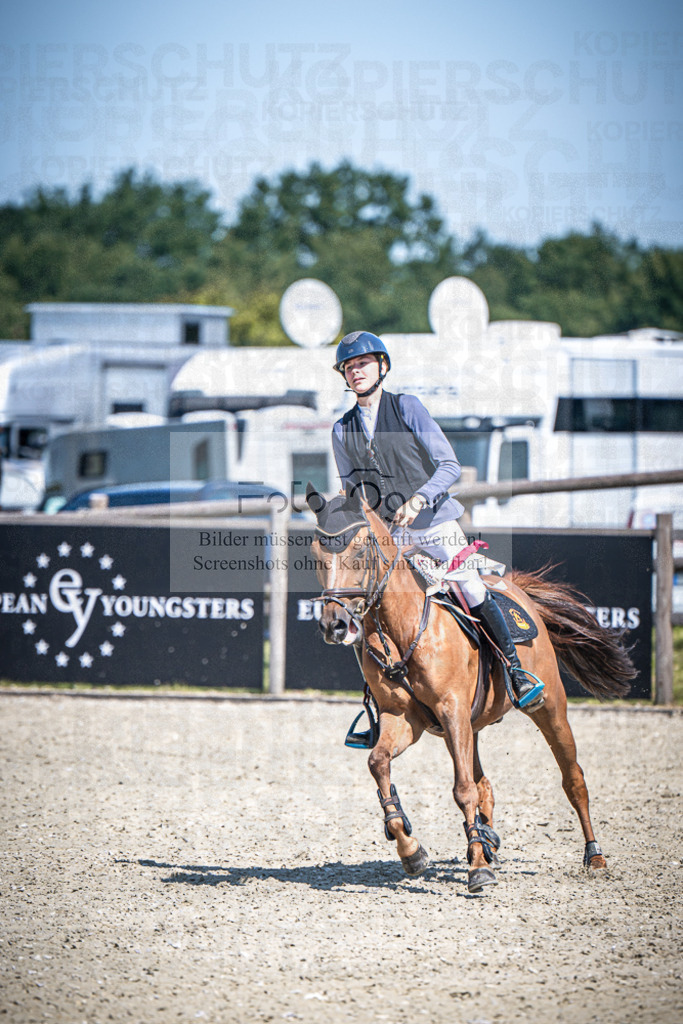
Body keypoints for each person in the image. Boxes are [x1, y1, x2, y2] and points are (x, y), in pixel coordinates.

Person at [331, 330, 544, 713]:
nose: (355, 371)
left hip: (435, 524)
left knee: (470, 586)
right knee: (362, 606)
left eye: (362, 363)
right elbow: (353, 493)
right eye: (348, 367)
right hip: (390, 537)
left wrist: (418, 498)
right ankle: (373, 703)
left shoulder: (407, 407)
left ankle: (515, 671)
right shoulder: (340, 429)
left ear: (381, 367)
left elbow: (450, 465)